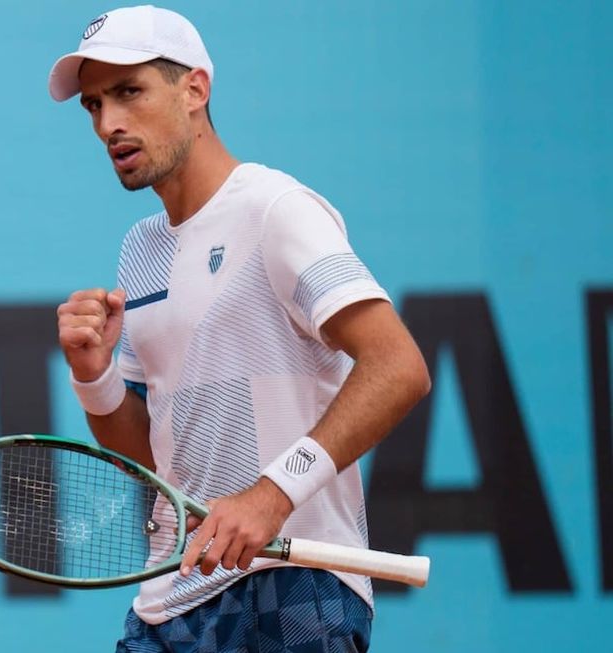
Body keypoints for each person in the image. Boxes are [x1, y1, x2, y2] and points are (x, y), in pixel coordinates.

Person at [51, 6, 430, 652]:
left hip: (294, 583)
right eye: (93, 104)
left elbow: (399, 367)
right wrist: (95, 377)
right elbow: (156, 459)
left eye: (128, 91)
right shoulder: (139, 250)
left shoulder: (276, 210)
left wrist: (271, 495)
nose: (108, 122)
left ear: (194, 89)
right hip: (173, 595)